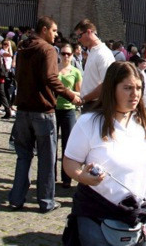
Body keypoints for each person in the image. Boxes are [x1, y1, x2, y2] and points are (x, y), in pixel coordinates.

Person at [62, 61, 146, 245]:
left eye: (138, 87)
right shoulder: (89, 123)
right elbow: (70, 161)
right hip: (98, 216)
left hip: (140, 217)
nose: (135, 94)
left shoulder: (142, 125)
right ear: (112, 89)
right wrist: (82, 176)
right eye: (127, 88)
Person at [8, 16, 82, 213]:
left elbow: (17, 75)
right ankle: (46, 200)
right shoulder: (47, 49)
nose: (56, 34)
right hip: (42, 111)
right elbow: (51, 78)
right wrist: (70, 95)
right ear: (44, 30)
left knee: (23, 156)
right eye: (54, 30)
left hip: (23, 110)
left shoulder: (23, 47)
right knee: (47, 158)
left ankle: (17, 198)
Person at [56, 43, 83, 188]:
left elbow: (80, 93)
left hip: (68, 110)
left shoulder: (76, 72)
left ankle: (66, 178)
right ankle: (51, 176)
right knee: (52, 144)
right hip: (54, 109)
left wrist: (68, 92)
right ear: (59, 54)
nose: (65, 56)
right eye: (63, 53)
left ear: (73, 56)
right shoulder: (54, 69)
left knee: (67, 146)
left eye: (68, 54)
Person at [74, 19, 115, 103]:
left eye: (79, 36)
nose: (78, 40)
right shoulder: (93, 52)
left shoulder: (103, 53)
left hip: (96, 105)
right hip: (90, 104)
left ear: (89, 32)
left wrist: (84, 99)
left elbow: (107, 84)